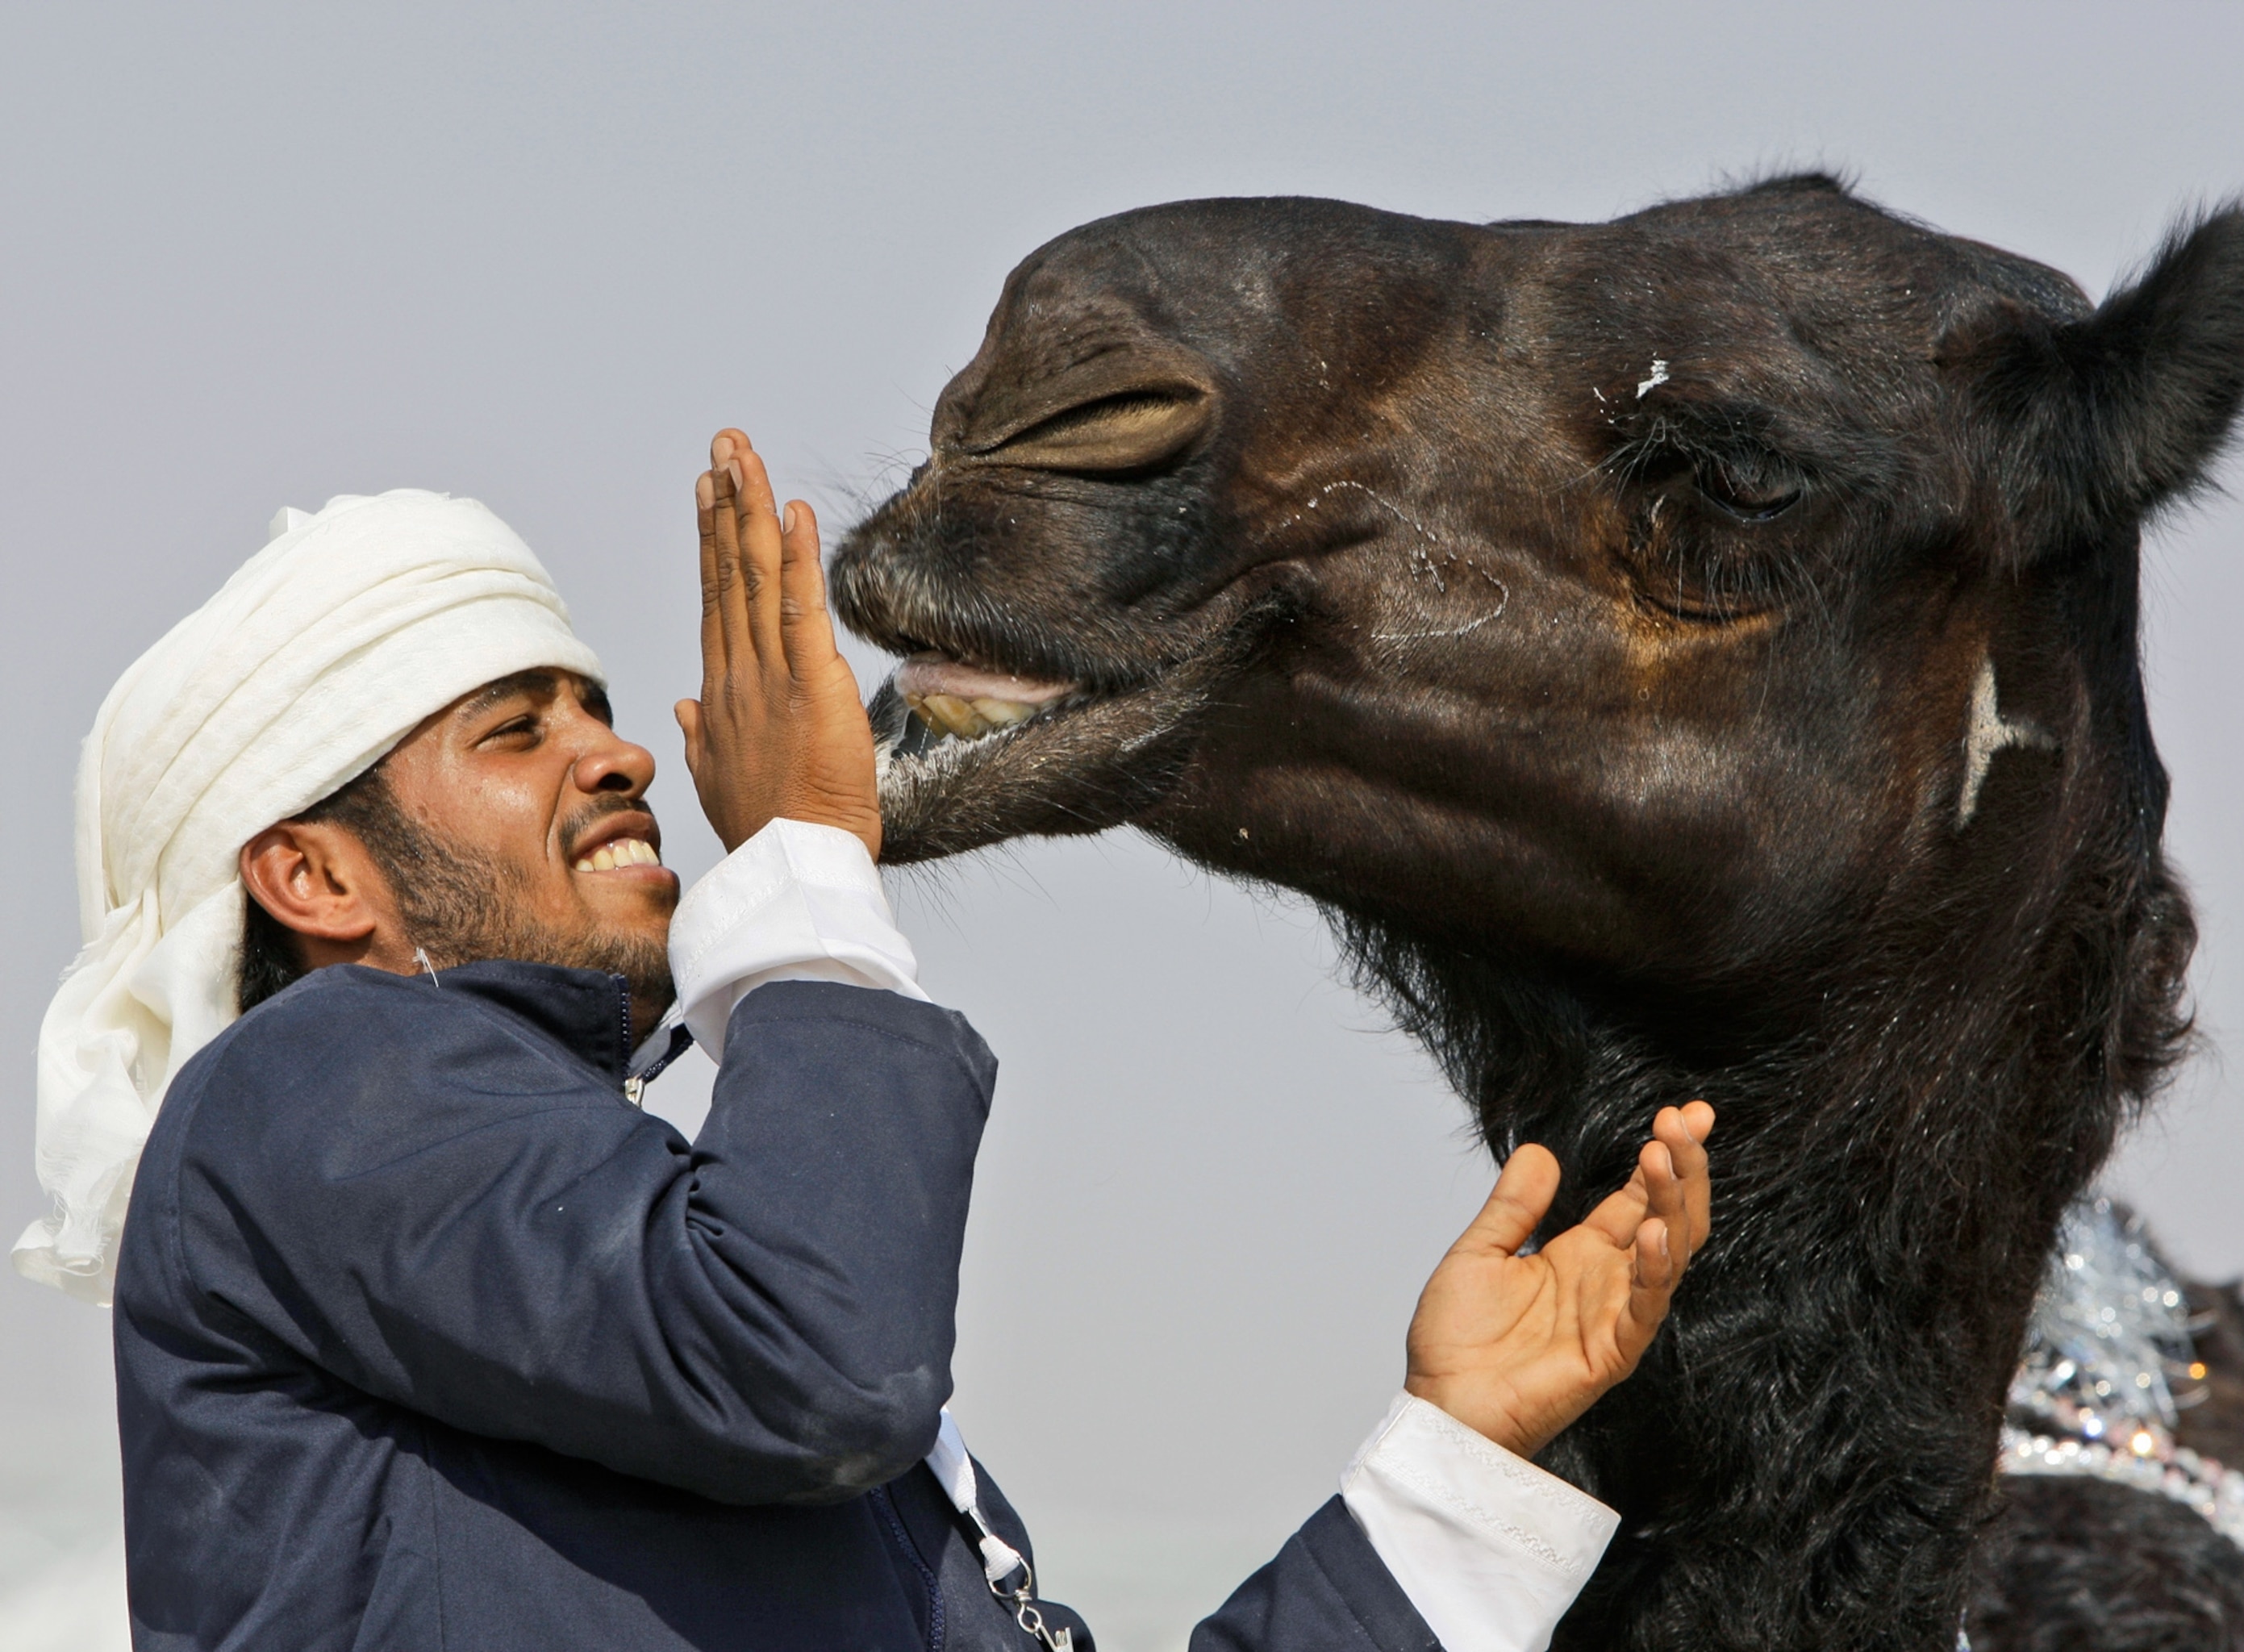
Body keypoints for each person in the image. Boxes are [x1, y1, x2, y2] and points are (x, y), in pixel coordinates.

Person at [15, 430, 1716, 1652]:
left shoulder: (645, 1269)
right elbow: (815, 1359)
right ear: (311, 876)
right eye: (513, 730)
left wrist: (1453, 1460)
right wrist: (805, 878)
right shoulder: (305, 1079)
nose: (614, 759)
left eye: (600, 711)